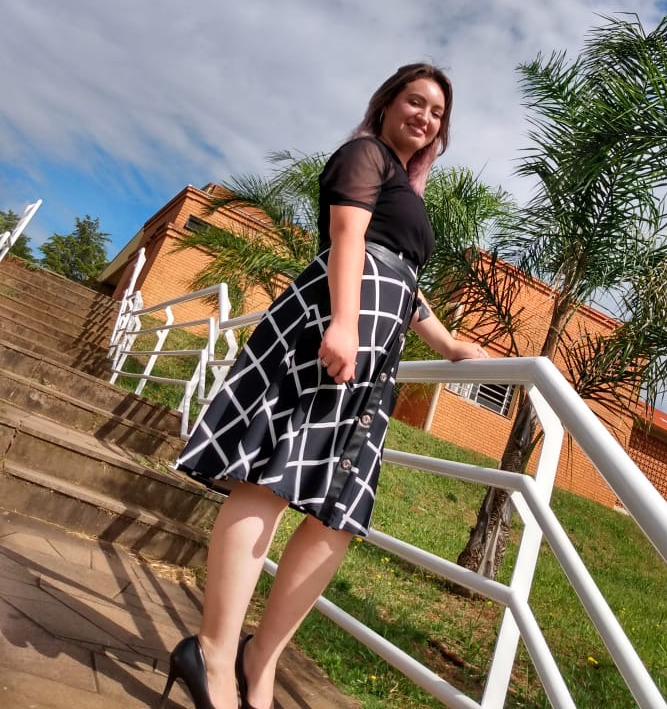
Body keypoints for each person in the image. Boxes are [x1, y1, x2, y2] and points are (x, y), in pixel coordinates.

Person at [160, 63, 489, 709]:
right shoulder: (364, 154)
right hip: (331, 328)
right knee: (270, 483)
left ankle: (261, 659)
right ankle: (215, 652)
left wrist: (447, 344)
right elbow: (348, 235)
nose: (425, 117)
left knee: (338, 517)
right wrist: (342, 323)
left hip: (376, 360)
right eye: (415, 102)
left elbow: (407, 283)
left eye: (437, 113)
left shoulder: (410, 192)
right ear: (388, 103)